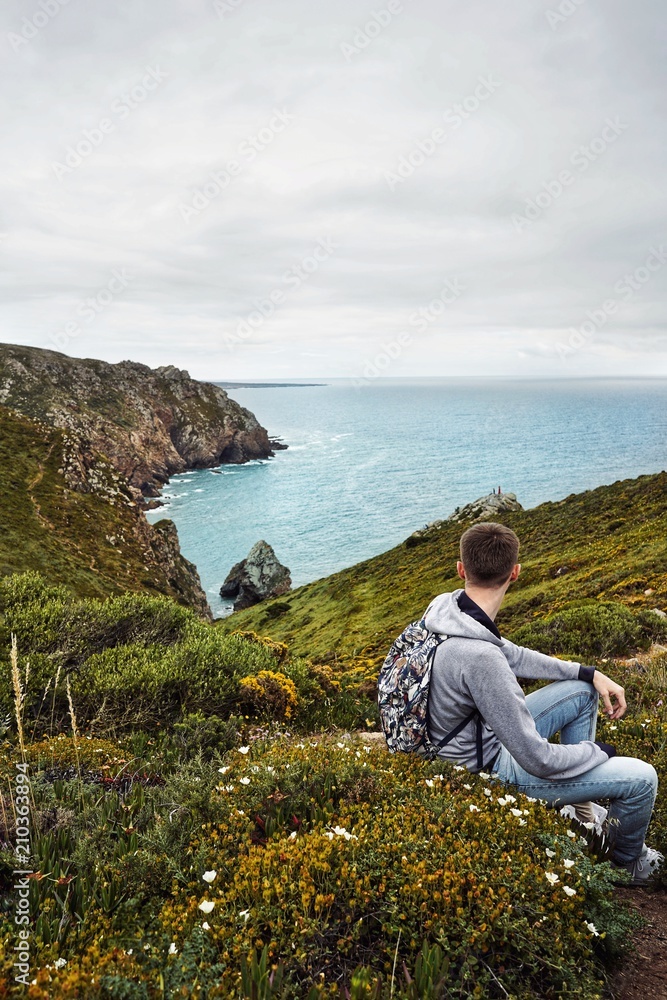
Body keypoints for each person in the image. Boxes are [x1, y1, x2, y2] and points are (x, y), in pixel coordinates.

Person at [425, 521, 662, 885]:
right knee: (643, 779)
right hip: (486, 771)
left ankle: (582, 812)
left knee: (581, 692)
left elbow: (512, 655)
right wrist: (597, 752)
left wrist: (587, 672)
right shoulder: (479, 656)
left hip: (460, 741)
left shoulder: (447, 611)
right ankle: (623, 863)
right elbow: (537, 758)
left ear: (461, 570)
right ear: (515, 573)